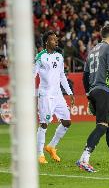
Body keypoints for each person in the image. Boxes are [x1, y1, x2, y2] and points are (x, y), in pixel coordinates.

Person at [76, 24, 109, 173]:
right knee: (102, 126)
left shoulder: (92, 50)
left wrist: (88, 95)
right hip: (104, 91)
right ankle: (84, 158)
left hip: (94, 90)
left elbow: (85, 76)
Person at [34, 31, 75, 164]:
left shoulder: (59, 56)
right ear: (47, 42)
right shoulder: (40, 57)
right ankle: (39, 154)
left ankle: (51, 146)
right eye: (53, 39)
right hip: (45, 95)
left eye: (56, 39)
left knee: (67, 122)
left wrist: (69, 92)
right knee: (44, 123)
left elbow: (62, 76)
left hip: (58, 95)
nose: (56, 41)